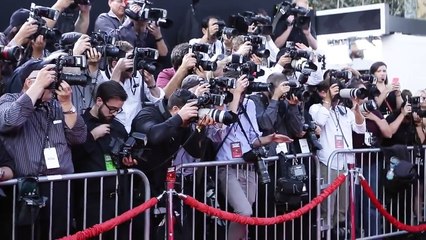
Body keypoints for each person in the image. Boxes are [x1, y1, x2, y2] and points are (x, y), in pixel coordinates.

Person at [0, 57, 87, 239]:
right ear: (29, 83)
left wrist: (67, 105)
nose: (52, 88)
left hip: (60, 185)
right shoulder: (8, 100)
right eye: (48, 83)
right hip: (25, 187)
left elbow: (78, 137)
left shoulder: (56, 105)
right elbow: (9, 121)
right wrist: (38, 86)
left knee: (59, 234)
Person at [207, 72, 292, 240]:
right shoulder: (218, 105)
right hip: (228, 167)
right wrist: (236, 95)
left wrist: (270, 138)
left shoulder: (249, 104)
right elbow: (219, 131)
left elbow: (252, 139)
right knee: (244, 211)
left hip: (248, 165)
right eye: (239, 85)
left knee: (246, 215)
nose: (244, 89)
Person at [131, 88, 214, 239]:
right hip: (140, 186)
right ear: (176, 109)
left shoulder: (183, 124)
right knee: (145, 232)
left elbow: (196, 151)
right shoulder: (149, 113)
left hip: (165, 186)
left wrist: (200, 128)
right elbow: (154, 136)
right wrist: (179, 119)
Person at [72, 80, 136, 239]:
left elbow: (124, 153)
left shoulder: (118, 127)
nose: (114, 113)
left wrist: (128, 160)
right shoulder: (80, 124)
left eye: (118, 110)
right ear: (99, 100)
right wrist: (92, 136)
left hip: (118, 196)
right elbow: (72, 156)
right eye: (111, 109)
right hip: (91, 199)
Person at [309, 78, 366, 230]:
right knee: (328, 206)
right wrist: (328, 99)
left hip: (345, 164)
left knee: (342, 208)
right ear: (322, 92)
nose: (337, 93)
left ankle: (338, 232)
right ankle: (325, 234)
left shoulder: (345, 111)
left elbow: (360, 129)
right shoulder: (315, 108)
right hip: (328, 162)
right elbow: (320, 121)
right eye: (332, 89)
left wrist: (357, 109)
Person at [101, 41, 164, 133]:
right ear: (115, 64)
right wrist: (118, 71)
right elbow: (109, 98)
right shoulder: (101, 77)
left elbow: (158, 100)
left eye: (135, 58)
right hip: (112, 130)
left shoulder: (138, 75)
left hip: (136, 129)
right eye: (130, 59)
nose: (134, 63)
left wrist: (152, 85)